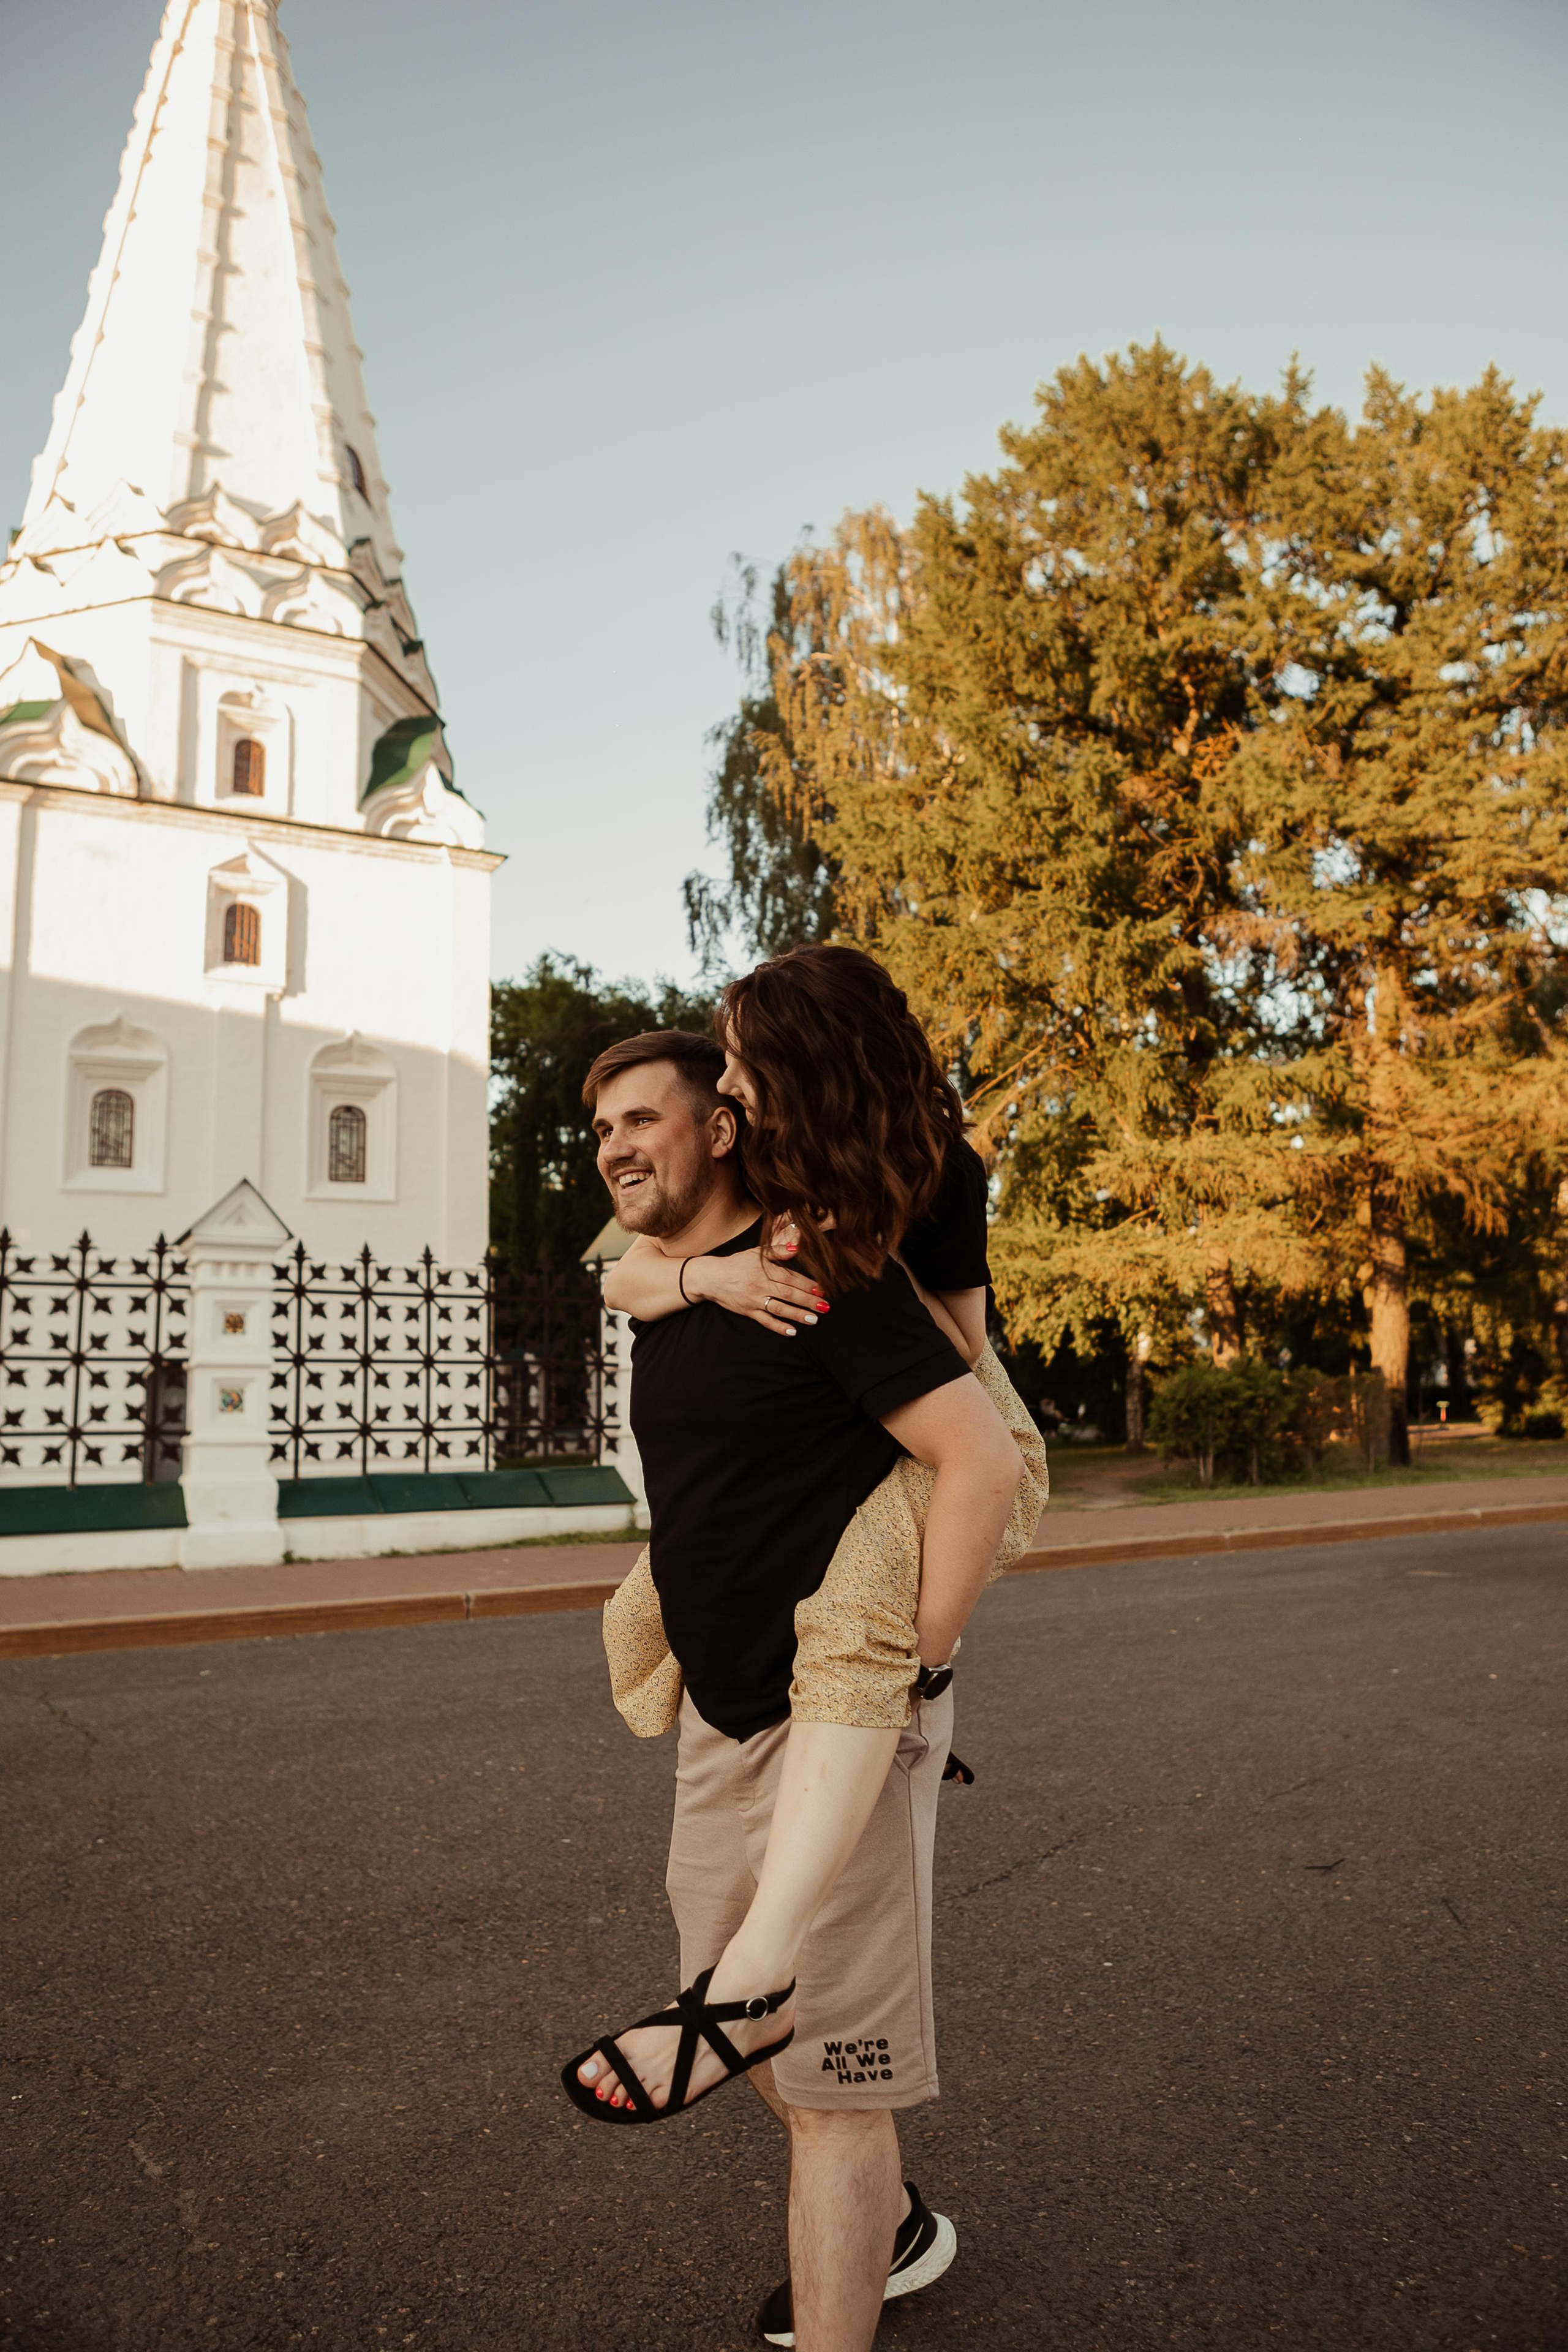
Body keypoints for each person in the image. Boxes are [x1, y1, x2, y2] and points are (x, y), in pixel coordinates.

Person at [558, 1014, 1031, 2352]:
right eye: (599, 1131)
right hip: (721, 1713)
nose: (612, 1149)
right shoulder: (675, 1269)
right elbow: (620, 1283)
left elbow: (975, 1456)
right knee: (738, 2016)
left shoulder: (820, 1259)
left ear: (724, 1124)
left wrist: (920, 1679)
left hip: (837, 1718)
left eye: (638, 1119)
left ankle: (855, 2258)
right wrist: (696, 1282)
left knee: (830, 2091)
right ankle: (890, 2228)